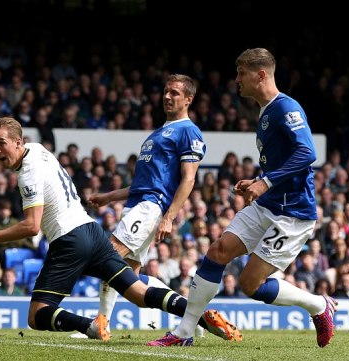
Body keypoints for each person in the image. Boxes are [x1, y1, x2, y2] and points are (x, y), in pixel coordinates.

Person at [0, 117, 239, 342]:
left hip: (69, 240)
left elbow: (32, 227)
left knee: (37, 315)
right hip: (92, 233)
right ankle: (200, 315)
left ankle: (92, 326)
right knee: (138, 293)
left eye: (1, 144)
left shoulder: (28, 175)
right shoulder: (38, 150)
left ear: (18, 142)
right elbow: (15, 159)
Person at [151, 48, 337, 347]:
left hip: (293, 212)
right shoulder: (265, 110)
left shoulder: (286, 108)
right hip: (269, 203)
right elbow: (283, 161)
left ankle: (318, 305)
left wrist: (265, 182)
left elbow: (308, 153)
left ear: (260, 74)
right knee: (217, 251)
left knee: (251, 284)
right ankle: (183, 333)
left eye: (241, 73)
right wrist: (258, 181)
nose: (236, 79)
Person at [84, 74, 239, 341]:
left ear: (189, 99)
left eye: (175, 93)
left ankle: (102, 323)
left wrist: (169, 217)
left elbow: (188, 179)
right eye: (166, 92)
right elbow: (142, 184)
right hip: (137, 204)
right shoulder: (158, 133)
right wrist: (109, 197)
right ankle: (194, 315)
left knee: (107, 256)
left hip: (150, 208)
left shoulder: (188, 131)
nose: (167, 97)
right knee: (130, 285)